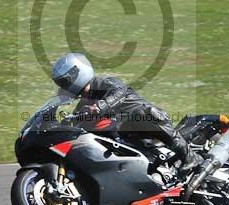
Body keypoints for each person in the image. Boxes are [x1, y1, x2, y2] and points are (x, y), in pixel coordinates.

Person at [51, 53, 200, 175]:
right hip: (125, 136)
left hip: (146, 120)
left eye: (65, 82)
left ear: (77, 73)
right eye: (62, 84)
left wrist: (100, 106)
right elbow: (77, 125)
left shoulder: (103, 83)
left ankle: (190, 157)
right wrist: (61, 126)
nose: (64, 87)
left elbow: (119, 92)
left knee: (140, 115)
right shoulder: (83, 105)